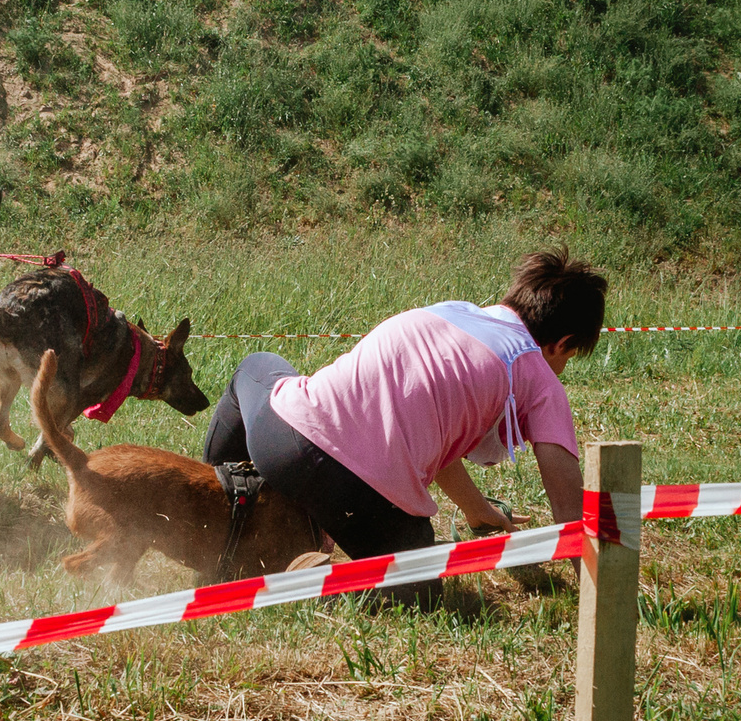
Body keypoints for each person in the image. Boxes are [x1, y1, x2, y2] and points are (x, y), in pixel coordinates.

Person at [202, 250, 606, 604]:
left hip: (285, 438)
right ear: (562, 342)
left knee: (256, 366)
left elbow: (430, 436)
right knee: (417, 594)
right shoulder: (542, 381)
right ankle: (309, 579)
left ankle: (208, 511)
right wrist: (604, 595)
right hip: (363, 500)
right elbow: (570, 515)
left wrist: (479, 511)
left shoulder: (451, 311)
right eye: (569, 357)